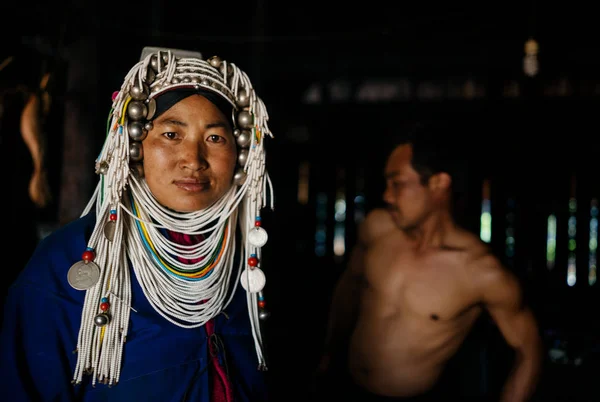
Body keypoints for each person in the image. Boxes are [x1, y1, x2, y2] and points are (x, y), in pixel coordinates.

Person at [1, 47, 275, 402]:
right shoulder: (65, 261)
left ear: (239, 155)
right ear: (133, 146)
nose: (193, 159)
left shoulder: (244, 260)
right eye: (171, 135)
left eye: (215, 138)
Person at [314, 122, 543, 401]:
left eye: (397, 183)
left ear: (438, 183)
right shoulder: (377, 229)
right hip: (343, 387)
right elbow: (349, 288)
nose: (386, 195)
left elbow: (529, 351)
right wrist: (328, 353)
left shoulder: (481, 272)